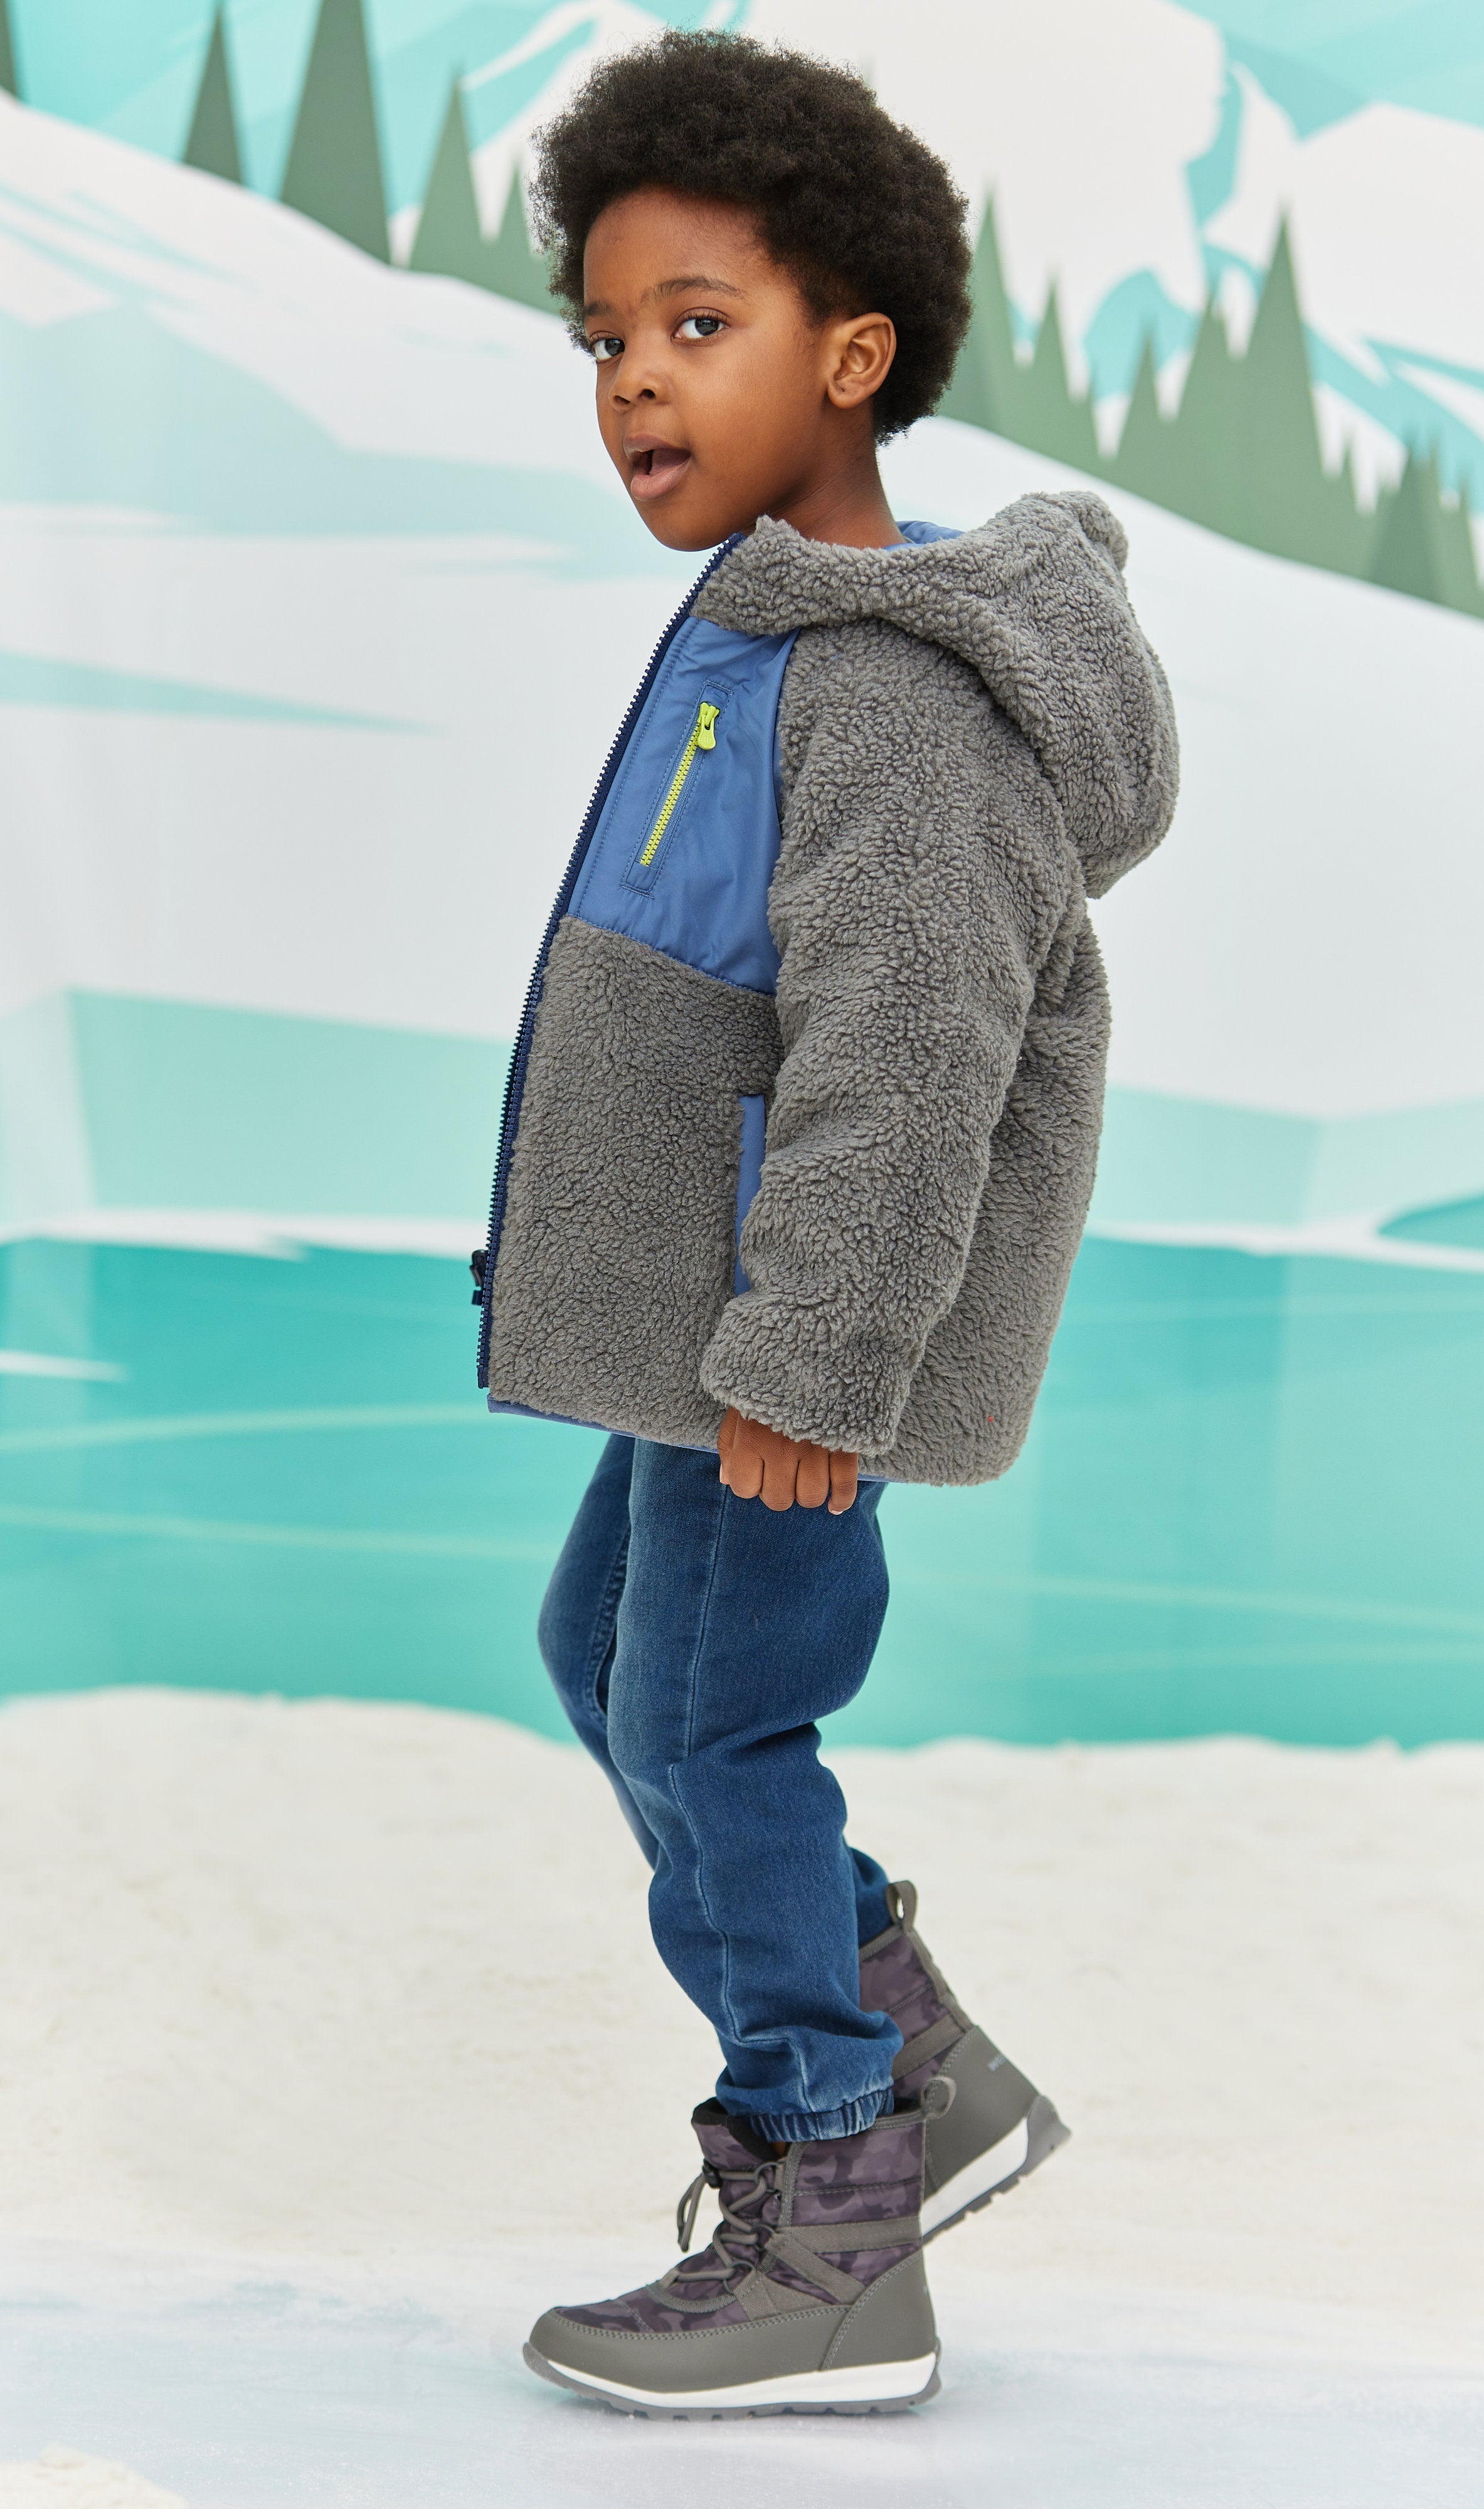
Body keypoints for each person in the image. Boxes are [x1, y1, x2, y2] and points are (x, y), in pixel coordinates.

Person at [471, 29, 1180, 2418]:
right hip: (714, 1317)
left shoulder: (889, 687)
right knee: (607, 1655)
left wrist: (821, 1357)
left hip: (784, 1338)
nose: (633, 381)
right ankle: (910, 2060)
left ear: (852, 358)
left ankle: (832, 2205)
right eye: (605, 337)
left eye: (698, 324)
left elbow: (909, 1048)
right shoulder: (764, 629)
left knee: (711, 1708)